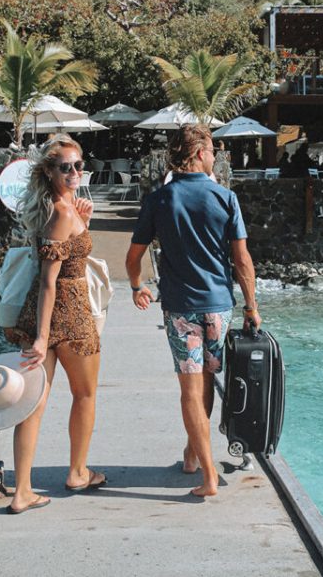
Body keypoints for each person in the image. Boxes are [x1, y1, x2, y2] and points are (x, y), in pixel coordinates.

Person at [126, 124, 261, 498]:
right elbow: (242, 260)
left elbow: (133, 256)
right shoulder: (225, 198)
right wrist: (252, 306)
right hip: (219, 307)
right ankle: (199, 463)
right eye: (213, 150)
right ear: (200, 153)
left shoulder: (159, 200)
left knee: (190, 385)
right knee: (206, 382)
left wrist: (138, 287)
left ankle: (201, 468)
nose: (215, 156)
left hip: (181, 309)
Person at [3, 133, 105, 514]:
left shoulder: (57, 208)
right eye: (66, 167)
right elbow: (50, 279)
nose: (75, 172)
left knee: (33, 405)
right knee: (85, 395)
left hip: (40, 316)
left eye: (79, 165)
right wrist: (44, 337)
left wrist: (85, 221)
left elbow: (62, 257)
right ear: (48, 171)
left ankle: (22, 491)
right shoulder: (62, 213)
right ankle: (78, 472)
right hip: (71, 317)